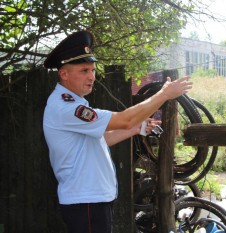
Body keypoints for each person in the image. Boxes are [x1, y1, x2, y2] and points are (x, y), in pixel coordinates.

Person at [42, 30, 192, 233]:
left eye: (93, 70)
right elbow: (125, 119)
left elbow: (99, 139)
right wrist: (164, 94)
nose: (92, 76)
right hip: (86, 201)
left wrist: (135, 129)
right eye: (84, 70)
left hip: (92, 199)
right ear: (64, 74)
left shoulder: (73, 103)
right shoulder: (68, 108)